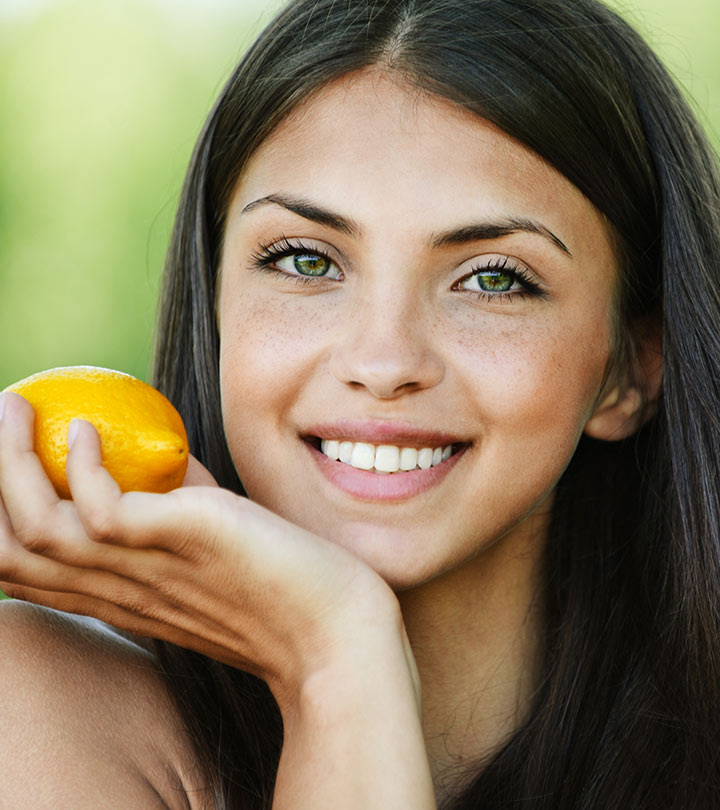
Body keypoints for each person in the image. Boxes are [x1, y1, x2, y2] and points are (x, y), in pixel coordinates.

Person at [1, 0, 719, 807]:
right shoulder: (42, 711)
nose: (384, 362)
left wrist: (332, 663)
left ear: (632, 369)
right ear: (216, 313)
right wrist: (335, 659)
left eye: (492, 278)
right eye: (306, 260)